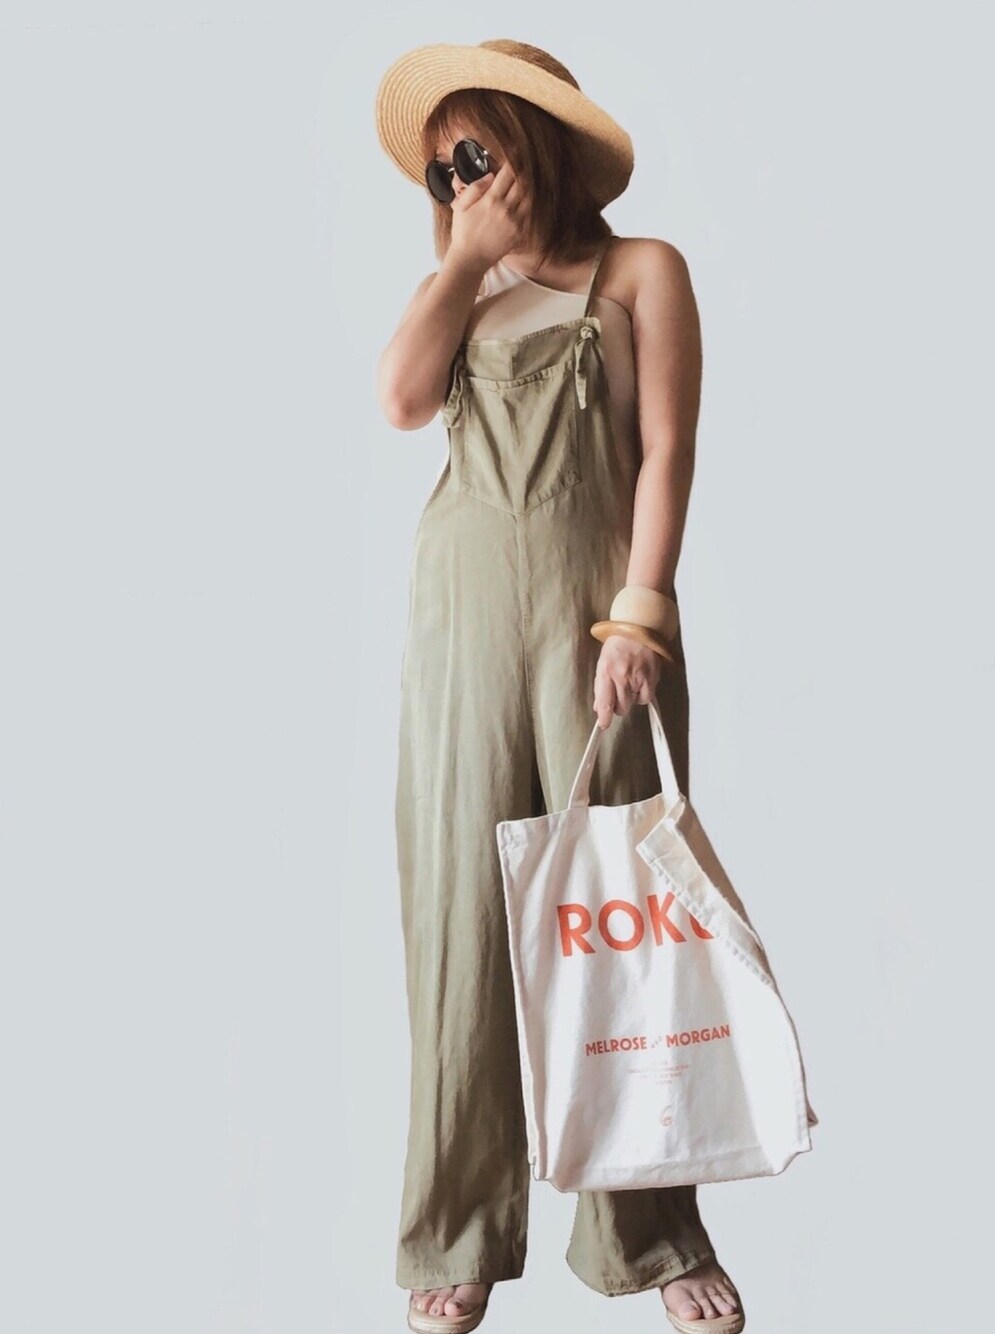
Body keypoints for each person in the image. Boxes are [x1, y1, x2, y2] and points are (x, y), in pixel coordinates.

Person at [375, 40, 746, 1334]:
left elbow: (668, 451)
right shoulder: (458, 294)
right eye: (443, 170)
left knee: (620, 916)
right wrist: (464, 258)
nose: (461, 182)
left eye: (478, 154)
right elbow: (400, 400)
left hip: (601, 631)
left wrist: (641, 613)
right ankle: (456, 1230)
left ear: (535, 143)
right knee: (461, 922)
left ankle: (651, 1234)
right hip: (462, 627)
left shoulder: (643, 271)